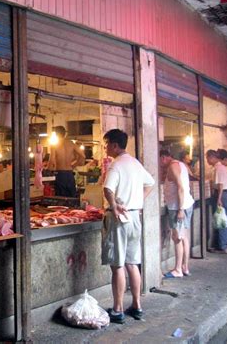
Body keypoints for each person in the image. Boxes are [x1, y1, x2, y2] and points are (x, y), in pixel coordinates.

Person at [101, 129, 154, 323]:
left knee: (118, 266)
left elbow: (107, 189)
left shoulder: (116, 164)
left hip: (120, 219)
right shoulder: (135, 163)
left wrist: (114, 206)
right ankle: (137, 306)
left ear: (115, 145)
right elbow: (151, 183)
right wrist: (137, 203)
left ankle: (117, 309)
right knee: (132, 263)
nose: (105, 147)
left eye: (106, 143)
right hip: (134, 217)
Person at [160, 150, 194, 278]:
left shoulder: (173, 167)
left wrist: (180, 209)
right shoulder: (181, 165)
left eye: (159, 160)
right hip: (186, 204)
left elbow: (181, 187)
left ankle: (178, 269)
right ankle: (185, 267)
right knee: (184, 236)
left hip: (178, 207)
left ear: (163, 157)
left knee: (177, 237)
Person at [47, 126, 86, 197]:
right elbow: (83, 156)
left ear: (55, 134)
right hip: (70, 174)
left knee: (61, 199)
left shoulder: (54, 145)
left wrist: (47, 171)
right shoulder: (71, 144)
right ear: (65, 134)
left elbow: (52, 160)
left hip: (60, 174)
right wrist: (74, 165)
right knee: (71, 198)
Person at [206, 149, 227, 254]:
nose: (207, 160)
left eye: (207, 158)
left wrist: (219, 198)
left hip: (221, 195)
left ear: (212, 157)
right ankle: (223, 245)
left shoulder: (219, 168)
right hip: (225, 194)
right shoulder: (222, 167)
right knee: (223, 220)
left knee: (221, 221)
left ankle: (223, 246)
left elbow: (220, 184)